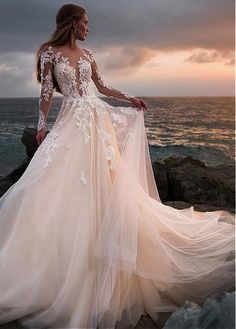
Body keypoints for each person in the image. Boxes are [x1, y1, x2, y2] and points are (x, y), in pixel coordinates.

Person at [0, 4, 234, 329]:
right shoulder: (49, 54)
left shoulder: (88, 54)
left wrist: (130, 98)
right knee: (57, 183)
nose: (88, 28)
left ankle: (103, 246)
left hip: (99, 120)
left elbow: (102, 86)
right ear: (72, 23)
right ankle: (64, 253)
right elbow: (46, 93)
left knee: (108, 183)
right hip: (72, 122)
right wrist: (41, 125)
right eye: (85, 23)